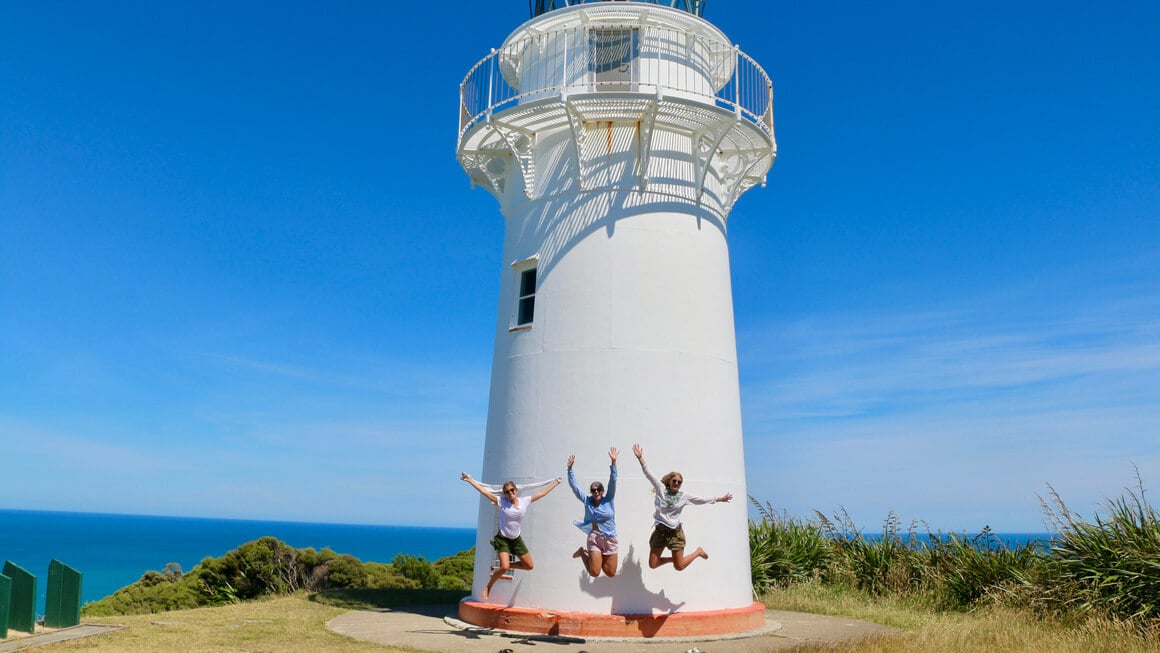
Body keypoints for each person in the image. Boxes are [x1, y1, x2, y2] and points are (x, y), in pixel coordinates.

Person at [632, 443, 732, 571]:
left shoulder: (684, 496)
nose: (677, 483)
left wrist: (719, 499)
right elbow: (649, 474)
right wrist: (640, 458)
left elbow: (701, 499)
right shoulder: (660, 488)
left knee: (679, 566)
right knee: (653, 564)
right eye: (674, 481)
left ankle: (698, 552)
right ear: (669, 481)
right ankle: (673, 559)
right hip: (660, 532)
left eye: (679, 482)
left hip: (675, 533)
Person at [460, 472, 560, 599]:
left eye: (512, 490)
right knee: (505, 567)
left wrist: (555, 482)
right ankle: (488, 587)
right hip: (503, 540)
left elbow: (541, 494)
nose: (510, 493)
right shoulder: (502, 502)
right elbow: (486, 493)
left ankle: (506, 565)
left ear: (516, 490)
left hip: (516, 540)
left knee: (529, 566)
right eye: (507, 491)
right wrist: (470, 480)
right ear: (505, 494)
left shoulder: (524, 501)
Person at [567, 447, 620, 577]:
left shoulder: (609, 499)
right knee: (595, 572)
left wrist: (613, 463)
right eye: (593, 490)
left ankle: (597, 558)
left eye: (599, 489)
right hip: (595, 538)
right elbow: (575, 487)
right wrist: (569, 470)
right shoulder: (587, 501)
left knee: (610, 572)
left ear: (602, 491)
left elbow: (613, 481)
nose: (596, 492)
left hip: (610, 538)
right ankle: (583, 554)